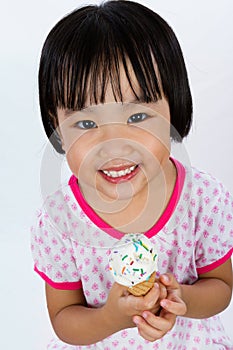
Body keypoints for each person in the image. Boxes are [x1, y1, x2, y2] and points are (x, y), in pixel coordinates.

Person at [31, 1, 233, 349]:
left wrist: (182, 298)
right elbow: (64, 320)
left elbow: (222, 287)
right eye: (86, 123)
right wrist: (111, 318)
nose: (114, 145)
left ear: (175, 105)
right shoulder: (57, 221)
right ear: (57, 128)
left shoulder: (204, 200)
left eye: (137, 117)